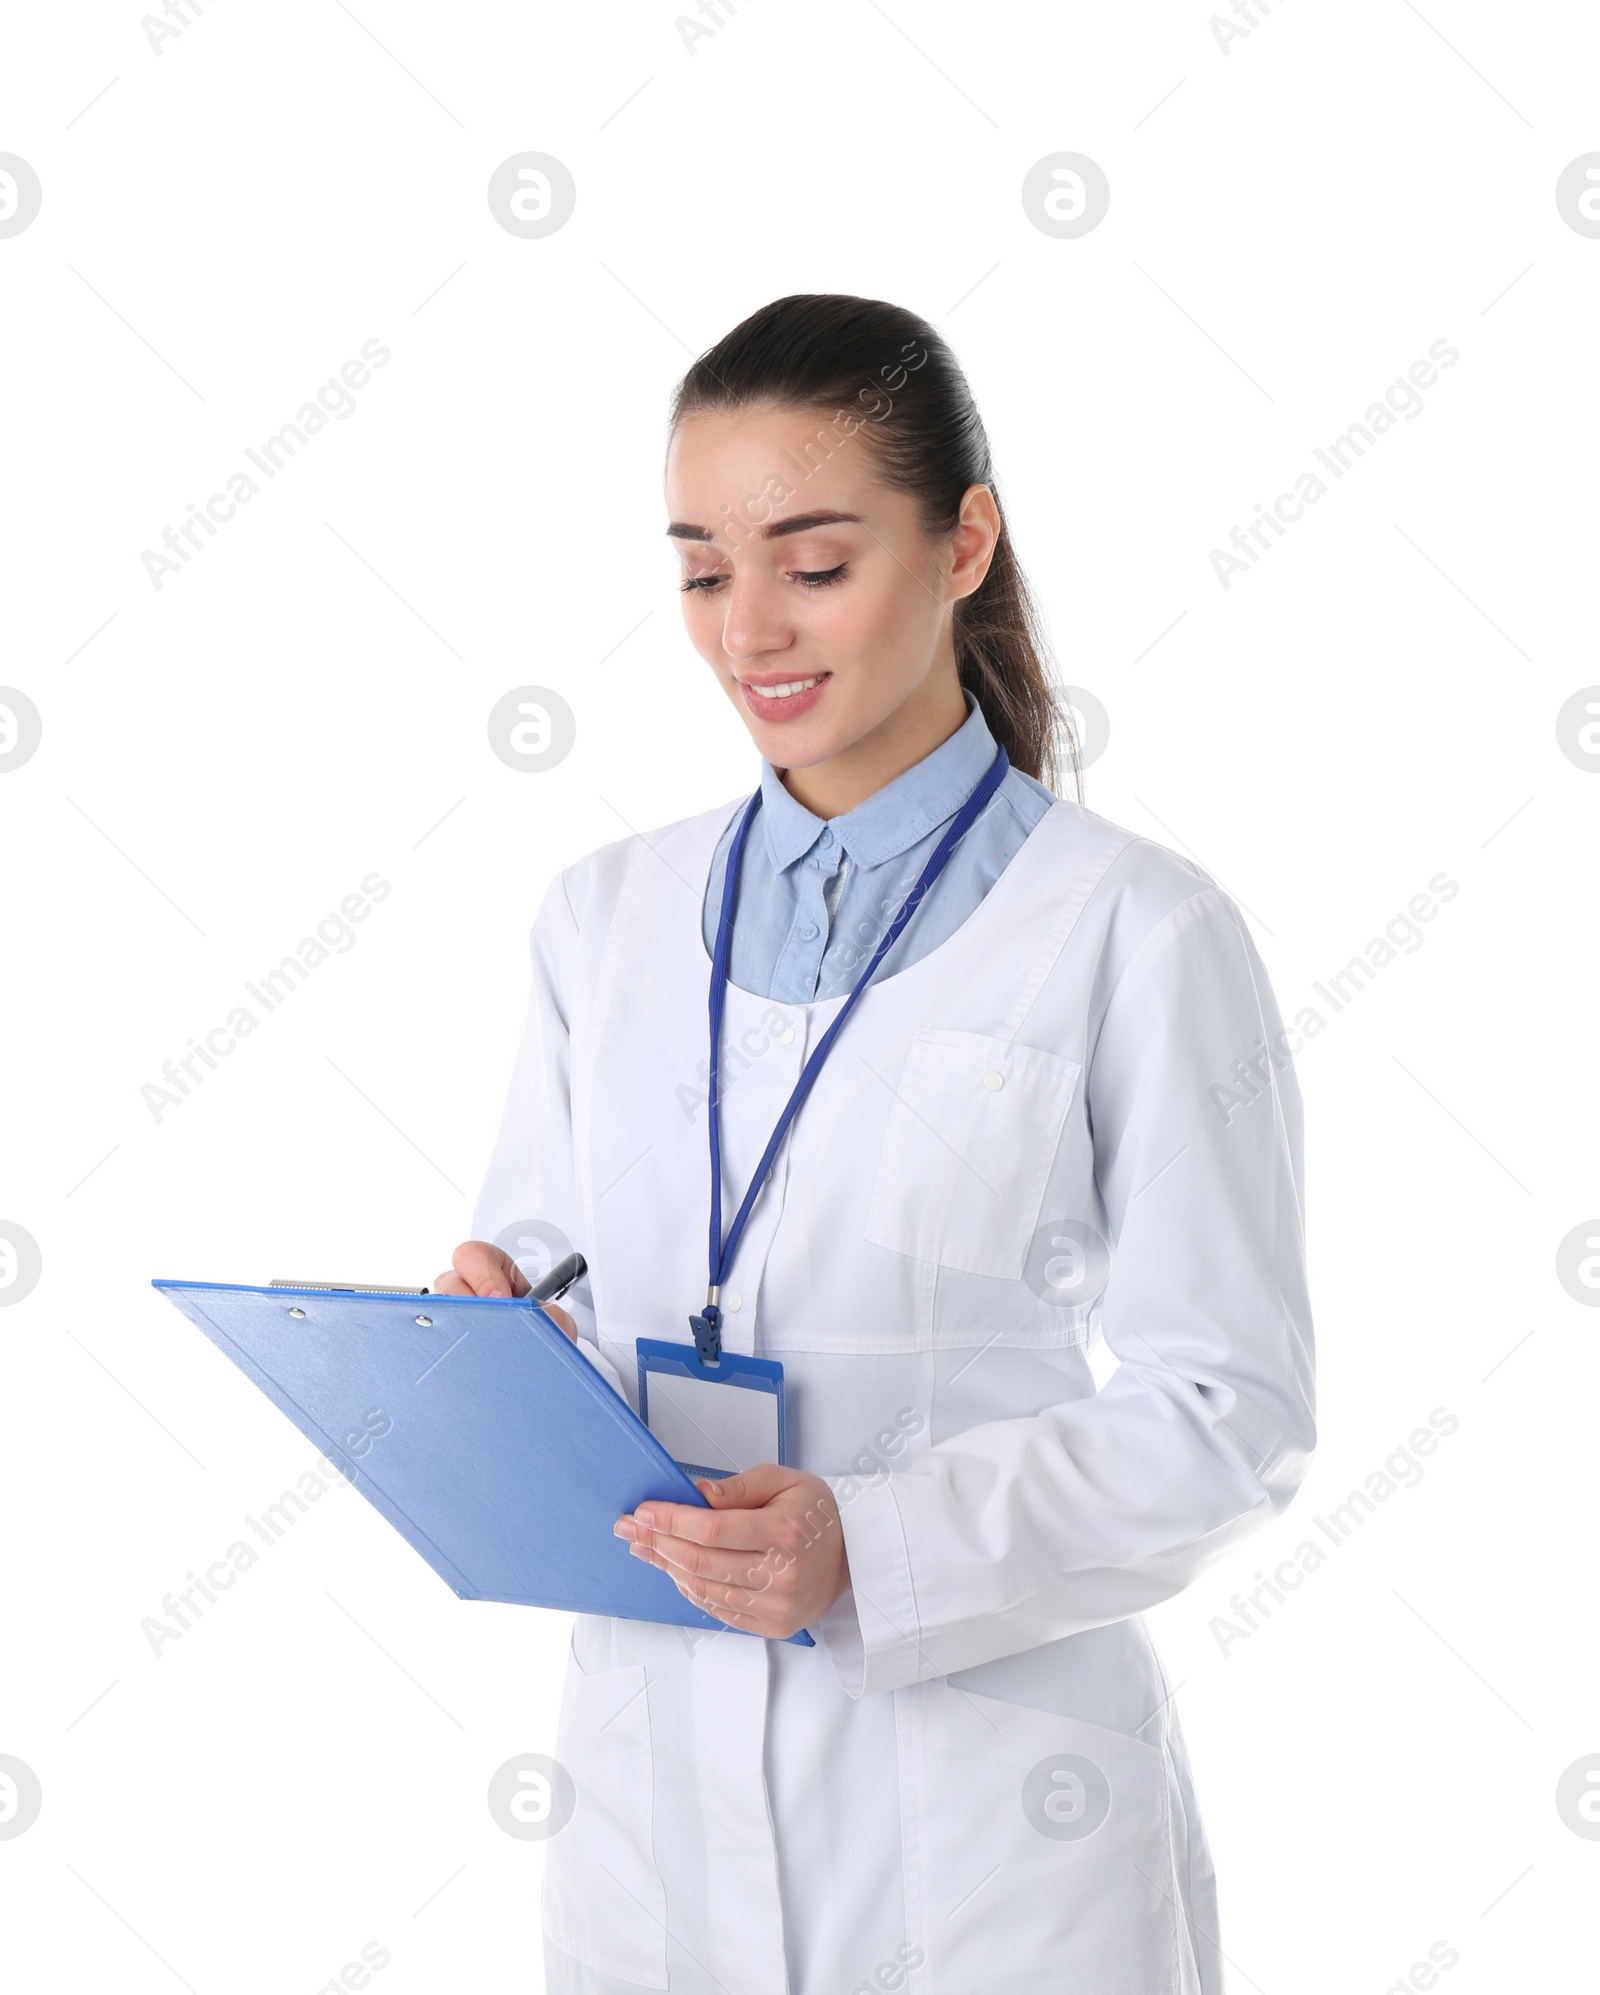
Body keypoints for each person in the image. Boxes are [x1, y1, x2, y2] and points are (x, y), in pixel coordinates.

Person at [436, 293, 1315, 1994]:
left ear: (966, 539)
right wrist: (497, 1347)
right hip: (648, 1823)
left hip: (1000, 1841)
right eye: (703, 569)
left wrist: (875, 1543)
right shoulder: (600, 921)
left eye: (813, 562)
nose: (747, 627)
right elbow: (544, 1266)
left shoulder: (1136, 930)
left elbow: (1232, 1413)